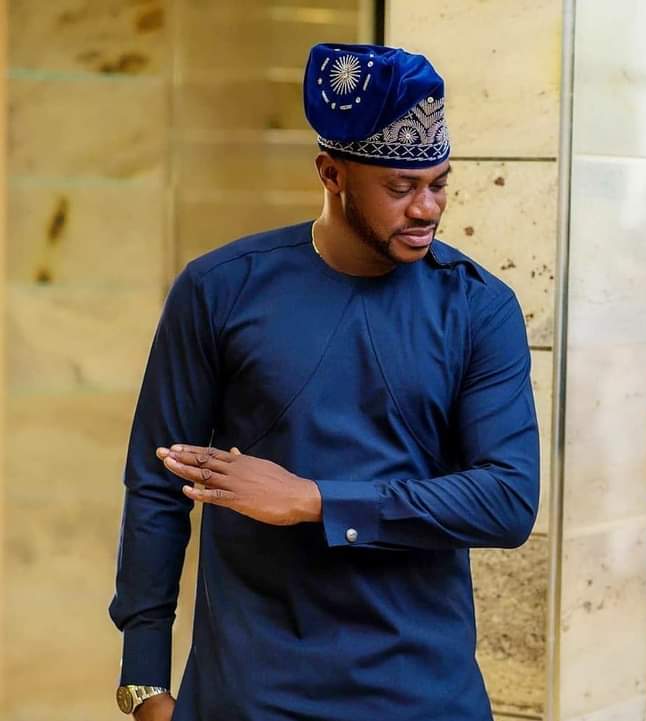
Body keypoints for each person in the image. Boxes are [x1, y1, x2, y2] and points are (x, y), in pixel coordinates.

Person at [109, 42, 540, 721]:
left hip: (422, 694)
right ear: (331, 173)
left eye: (439, 184)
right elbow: (158, 485)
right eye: (400, 188)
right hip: (250, 693)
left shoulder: (478, 307)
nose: (426, 208)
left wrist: (316, 500)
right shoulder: (221, 289)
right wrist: (144, 682)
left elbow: (507, 500)